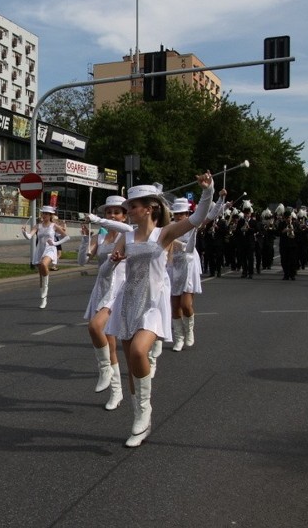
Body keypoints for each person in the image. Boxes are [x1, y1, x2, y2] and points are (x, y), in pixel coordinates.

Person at [105, 172, 214, 447]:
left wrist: (207, 191)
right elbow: (106, 269)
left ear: (149, 208)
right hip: (128, 303)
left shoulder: (163, 234)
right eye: (128, 206)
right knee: (132, 364)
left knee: (140, 351)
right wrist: (114, 261)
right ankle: (140, 417)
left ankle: (145, 411)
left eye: (133, 206)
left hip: (152, 304)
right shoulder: (127, 237)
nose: (128, 211)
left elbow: (197, 219)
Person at [79, 195, 133, 410]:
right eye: (108, 212)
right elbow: (82, 261)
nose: (111, 215)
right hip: (101, 289)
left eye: (116, 212)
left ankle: (105, 370)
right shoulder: (101, 239)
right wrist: (85, 240)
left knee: (95, 326)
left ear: (124, 215)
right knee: (109, 344)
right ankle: (116, 391)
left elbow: (124, 229)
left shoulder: (129, 235)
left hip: (119, 290)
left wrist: (98, 220)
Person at [169, 191, 226, 353]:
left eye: (182, 213)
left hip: (189, 264)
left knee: (186, 304)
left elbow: (211, 214)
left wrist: (221, 199)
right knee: (175, 306)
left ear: (188, 213)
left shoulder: (193, 224)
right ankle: (178, 338)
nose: (179, 216)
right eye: (177, 214)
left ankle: (189, 330)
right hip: (173, 264)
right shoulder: (170, 227)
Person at [21, 205, 70, 308]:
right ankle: (44, 299)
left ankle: (46, 288)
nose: (44, 215)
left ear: (51, 215)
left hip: (50, 249)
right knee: (40, 276)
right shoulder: (38, 226)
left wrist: (55, 244)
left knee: (44, 264)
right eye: (43, 213)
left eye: (47, 214)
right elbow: (29, 236)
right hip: (40, 249)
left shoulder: (54, 226)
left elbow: (67, 237)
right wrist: (24, 232)